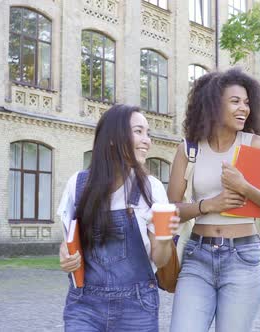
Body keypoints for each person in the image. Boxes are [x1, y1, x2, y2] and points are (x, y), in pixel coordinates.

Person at [167, 68, 260, 332]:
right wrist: (207, 206)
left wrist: (244, 187)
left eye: (246, 103)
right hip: (197, 256)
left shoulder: (254, 145)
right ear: (213, 105)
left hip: (242, 257)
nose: (243, 108)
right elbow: (171, 210)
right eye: (235, 101)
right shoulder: (189, 149)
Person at [57, 104, 179, 331]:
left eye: (148, 133)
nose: (147, 141)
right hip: (85, 304)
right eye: (138, 131)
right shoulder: (79, 184)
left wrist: (164, 239)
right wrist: (65, 254)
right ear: (113, 138)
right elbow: (69, 241)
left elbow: (160, 260)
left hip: (137, 305)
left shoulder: (150, 188)